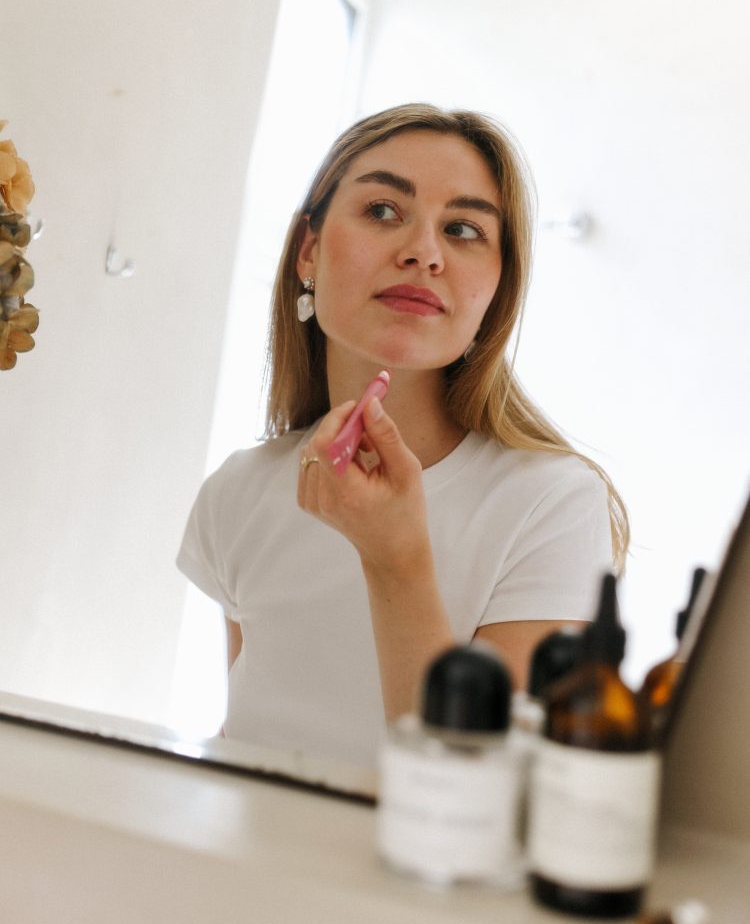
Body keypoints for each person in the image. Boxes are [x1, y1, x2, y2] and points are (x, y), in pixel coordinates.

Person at [177, 103, 628, 768]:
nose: (423, 252)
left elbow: (477, 784)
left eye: (464, 229)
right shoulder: (238, 492)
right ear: (309, 251)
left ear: (495, 292)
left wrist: (396, 560)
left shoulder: (553, 504)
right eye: (384, 210)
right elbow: (251, 737)